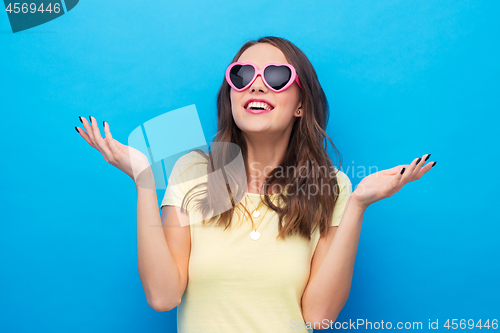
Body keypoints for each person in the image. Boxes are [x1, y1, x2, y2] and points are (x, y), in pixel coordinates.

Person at [74, 36, 436, 332]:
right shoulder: (193, 172)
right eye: (242, 75)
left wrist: (357, 205)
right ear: (230, 96)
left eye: (277, 76)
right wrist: (143, 181)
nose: (257, 84)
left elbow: (319, 316)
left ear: (300, 104)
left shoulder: (331, 186)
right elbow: (163, 296)